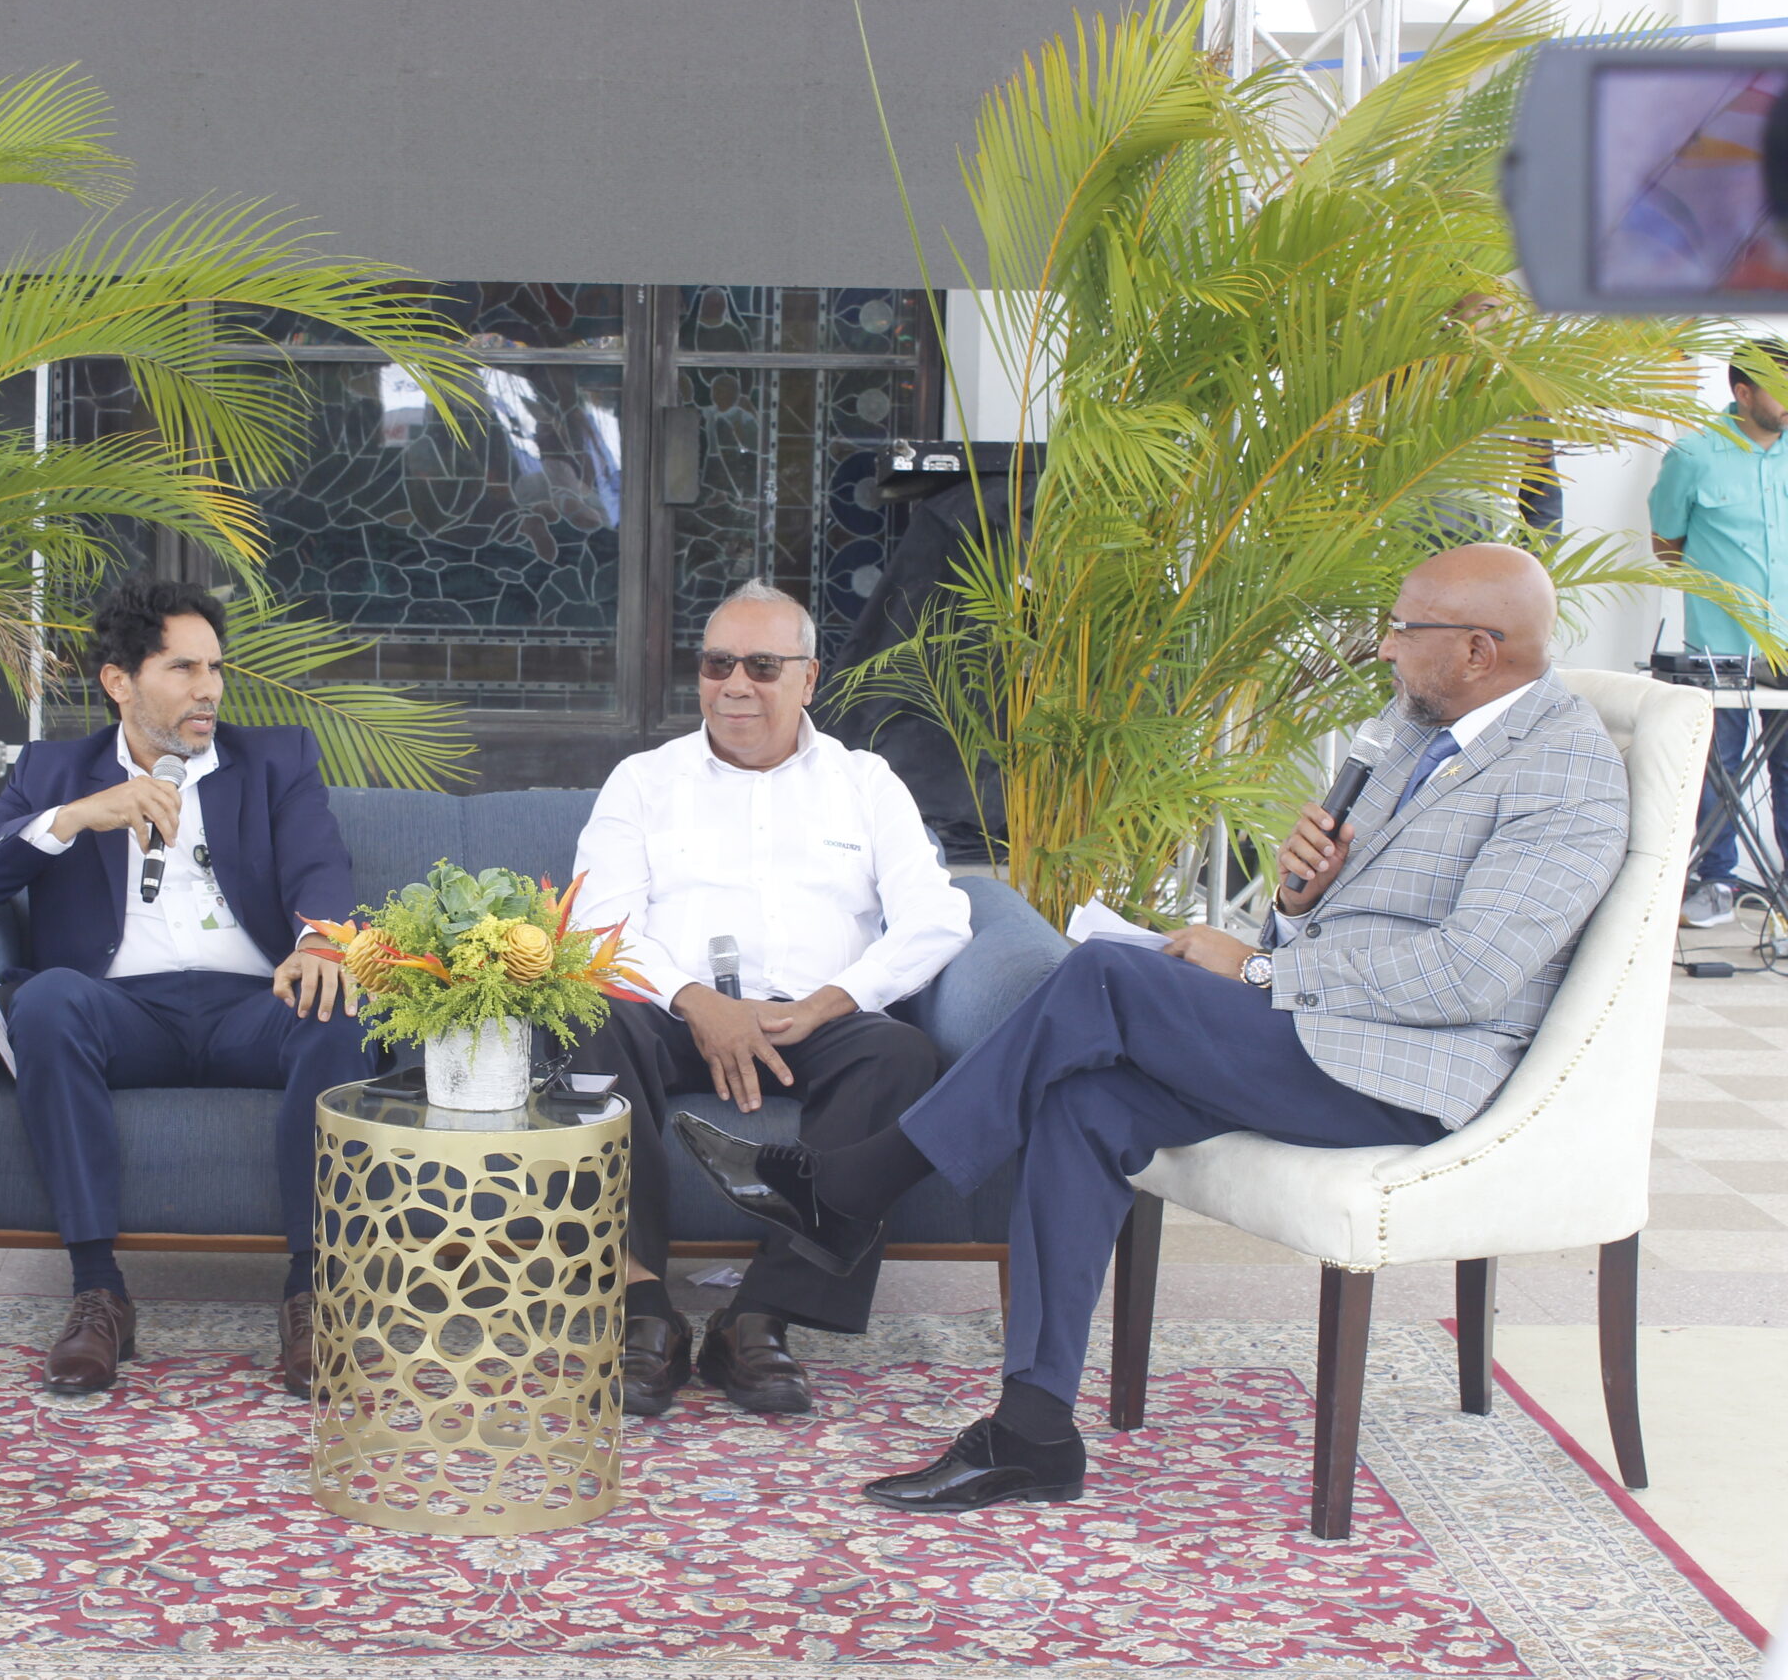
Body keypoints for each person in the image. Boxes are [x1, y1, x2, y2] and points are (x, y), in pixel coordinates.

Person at [674, 543, 1628, 1511]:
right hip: (1320, 1027)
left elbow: (1466, 976)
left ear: (1477, 650)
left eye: (1403, 630)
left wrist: (1260, 964)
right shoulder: (1412, 729)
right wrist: (1297, 904)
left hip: (1408, 1071)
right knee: (1084, 1103)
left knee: (1105, 979)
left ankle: (852, 1187)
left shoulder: (1565, 773)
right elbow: (1334, 927)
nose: (1383, 649)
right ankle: (1034, 1430)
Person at [0, 577, 366, 1399]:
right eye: (183, 668)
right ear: (119, 681)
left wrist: (318, 941)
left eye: (215, 668)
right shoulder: (57, 770)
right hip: (122, 1010)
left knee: (337, 1009)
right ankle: (99, 1292)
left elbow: (320, 863)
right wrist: (72, 818)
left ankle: (311, 1293)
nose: (209, 689)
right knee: (46, 1000)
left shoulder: (278, 759)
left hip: (254, 1004)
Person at [568, 580, 974, 1419]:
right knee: (589, 1015)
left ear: (809, 678)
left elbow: (939, 918)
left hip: (811, 1018)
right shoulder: (644, 781)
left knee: (900, 1053)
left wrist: (832, 1001)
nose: (735, 685)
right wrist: (694, 999)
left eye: (761, 665)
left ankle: (758, 1317)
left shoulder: (865, 782)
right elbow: (597, 924)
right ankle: (642, 1309)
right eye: (718, 664)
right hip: (672, 1015)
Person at [1650, 339, 1788, 929]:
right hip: (1718, 649)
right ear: (1743, 393)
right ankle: (1717, 883)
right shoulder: (1694, 454)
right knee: (1717, 769)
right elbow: (1667, 544)